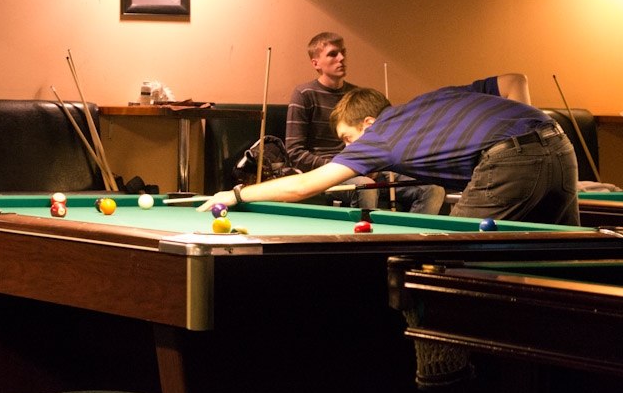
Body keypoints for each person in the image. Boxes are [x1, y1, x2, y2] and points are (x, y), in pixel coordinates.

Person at [202, 73, 580, 226]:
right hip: (559, 141)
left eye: (348, 139)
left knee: (449, 264)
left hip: (510, 160)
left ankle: (446, 369)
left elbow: (304, 186)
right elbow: (514, 79)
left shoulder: (378, 136)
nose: (349, 149)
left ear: (368, 124)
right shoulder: (431, 99)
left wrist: (237, 194)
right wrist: (531, 134)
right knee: (567, 255)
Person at [285, 32, 444, 213]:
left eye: (343, 52)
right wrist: (342, 166)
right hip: (328, 172)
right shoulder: (304, 94)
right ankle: (365, 232)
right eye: (333, 54)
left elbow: (378, 139)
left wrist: (372, 164)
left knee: (432, 189)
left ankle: (409, 233)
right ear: (316, 63)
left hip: (366, 167)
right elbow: (295, 153)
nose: (341, 58)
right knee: (365, 186)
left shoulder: (357, 96)